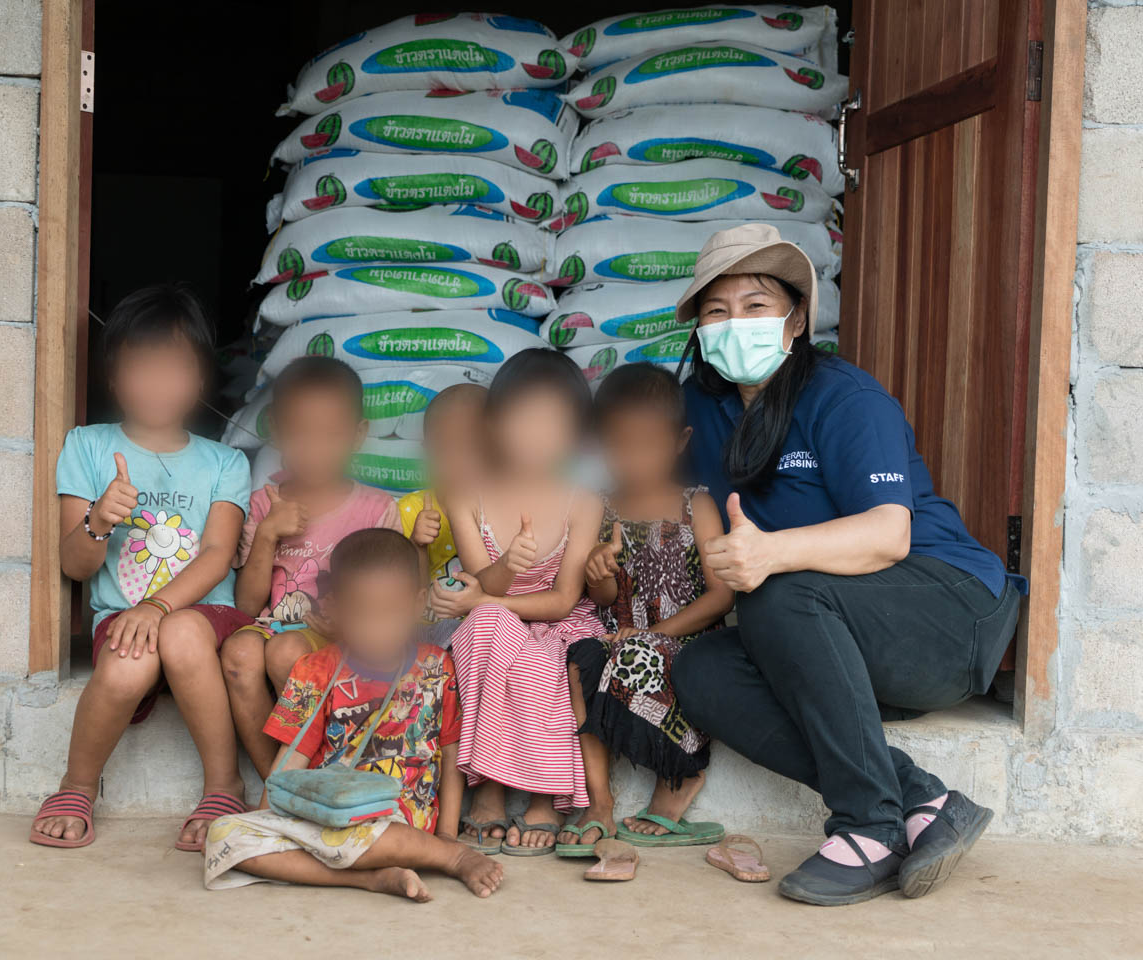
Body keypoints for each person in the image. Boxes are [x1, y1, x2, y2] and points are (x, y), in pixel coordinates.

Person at [669, 224, 1024, 905]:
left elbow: (890, 534)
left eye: (755, 305)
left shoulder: (844, 398)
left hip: (947, 616)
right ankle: (921, 798)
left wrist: (768, 553)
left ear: (797, 319)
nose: (733, 324)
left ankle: (868, 825)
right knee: (703, 669)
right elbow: (620, 455)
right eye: (716, 311)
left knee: (777, 592)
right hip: (831, 640)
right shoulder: (701, 410)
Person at [30, 284, 254, 851]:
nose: (157, 383)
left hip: (204, 615)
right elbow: (75, 566)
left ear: (200, 379)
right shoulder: (86, 446)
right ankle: (77, 786)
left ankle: (224, 786)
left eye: (174, 368)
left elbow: (216, 554)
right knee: (127, 665)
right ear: (113, 377)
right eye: (141, 367)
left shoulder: (226, 461)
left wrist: (157, 606)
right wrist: (101, 520)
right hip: (124, 619)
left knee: (178, 631)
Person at [203, 528, 504, 901]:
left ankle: (451, 856)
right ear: (337, 608)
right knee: (223, 837)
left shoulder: (435, 667)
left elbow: (450, 749)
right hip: (329, 811)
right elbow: (293, 755)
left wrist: (446, 835)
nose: (376, 630)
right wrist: (269, 820)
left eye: (388, 614)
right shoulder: (317, 669)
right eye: (362, 615)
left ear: (416, 604)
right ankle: (369, 879)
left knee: (380, 836)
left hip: (398, 817)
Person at [430, 349, 603, 855]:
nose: (535, 437)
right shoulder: (466, 494)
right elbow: (481, 584)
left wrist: (488, 597)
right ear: (495, 423)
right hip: (489, 619)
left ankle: (545, 796)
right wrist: (506, 567)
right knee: (486, 626)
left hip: (559, 622)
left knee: (540, 653)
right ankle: (489, 789)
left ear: (577, 434)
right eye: (521, 420)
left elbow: (566, 599)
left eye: (553, 424)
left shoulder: (583, 500)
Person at [560, 364, 734, 854]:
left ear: (679, 442)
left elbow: (723, 596)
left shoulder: (695, 506)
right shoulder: (600, 508)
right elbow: (600, 602)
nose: (633, 459)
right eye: (620, 445)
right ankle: (599, 800)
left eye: (648, 444)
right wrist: (599, 576)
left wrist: (654, 633)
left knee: (648, 653)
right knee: (578, 657)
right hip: (621, 642)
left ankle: (679, 774)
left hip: (688, 638)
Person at [220, 356, 400, 777]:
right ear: (278, 433)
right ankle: (277, 783)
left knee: (288, 652)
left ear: (357, 436)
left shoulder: (376, 509)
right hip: (270, 625)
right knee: (238, 651)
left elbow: (392, 602)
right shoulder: (265, 504)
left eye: (329, 436)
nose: (315, 449)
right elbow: (246, 606)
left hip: (343, 640)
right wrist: (266, 535)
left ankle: (318, 769)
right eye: (301, 434)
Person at [397, 382, 488, 644]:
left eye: (474, 449)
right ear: (429, 452)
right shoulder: (411, 509)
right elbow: (402, 592)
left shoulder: (506, 509)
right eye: (446, 451)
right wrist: (418, 545)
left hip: (481, 633)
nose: (460, 463)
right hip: (425, 632)